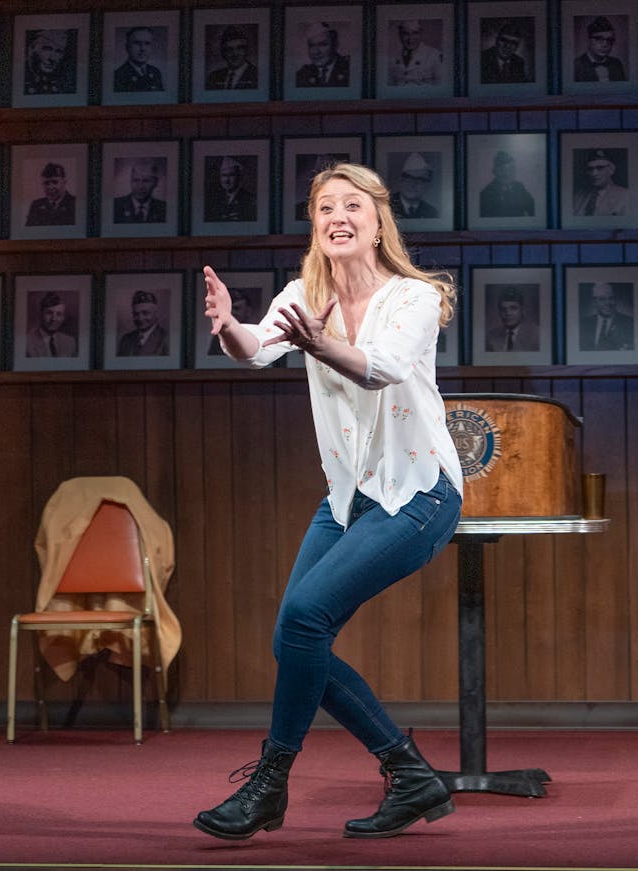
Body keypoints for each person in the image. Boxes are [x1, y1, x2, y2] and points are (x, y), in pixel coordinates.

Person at [193, 161, 462, 842]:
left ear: (377, 222)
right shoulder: (304, 292)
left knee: (307, 618)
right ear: (315, 226)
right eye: (324, 209)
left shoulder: (415, 297)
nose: (338, 217)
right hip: (349, 499)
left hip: (419, 492)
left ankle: (269, 786)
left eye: (352, 206)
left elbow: (382, 370)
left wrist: (323, 342)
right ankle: (409, 773)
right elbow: (253, 349)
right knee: (294, 636)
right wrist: (227, 325)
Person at [572, 149, 630, 217]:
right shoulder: (578, 196)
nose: (594, 173)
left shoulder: (626, 196)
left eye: (600, 168)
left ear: (611, 170)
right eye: (590, 169)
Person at [478, 150, 534, 218]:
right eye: (502, 169)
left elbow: (532, 208)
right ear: (495, 171)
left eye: (511, 169)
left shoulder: (520, 188)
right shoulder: (486, 194)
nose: (507, 173)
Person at [294, 23, 350, 87]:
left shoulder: (349, 68)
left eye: (322, 45)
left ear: (335, 45)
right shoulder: (302, 74)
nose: (316, 52)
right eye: (311, 45)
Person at [388, 19, 442, 86]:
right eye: (406, 34)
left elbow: (440, 86)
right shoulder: (393, 57)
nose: (410, 38)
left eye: (415, 33)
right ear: (400, 35)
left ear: (421, 34)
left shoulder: (435, 55)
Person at [580, 283, 634, 351]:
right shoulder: (583, 324)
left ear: (616, 300)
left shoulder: (630, 323)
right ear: (594, 302)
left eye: (611, 298)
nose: (607, 303)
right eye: (602, 299)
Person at [116, 290, 169, 357]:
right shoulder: (126, 339)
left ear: (156, 314)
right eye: (136, 314)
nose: (140, 318)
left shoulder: (166, 339)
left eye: (145, 313)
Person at [485, 286, 539, 351]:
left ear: (523, 310)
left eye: (513, 308)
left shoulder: (537, 335)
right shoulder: (491, 336)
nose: (508, 313)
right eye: (503, 309)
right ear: (499, 312)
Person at [112, 159, 166, 224]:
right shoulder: (115, 206)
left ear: (155, 183)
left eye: (146, 181)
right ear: (130, 181)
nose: (140, 187)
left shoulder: (164, 208)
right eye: (136, 180)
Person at [207, 285, 256, 355]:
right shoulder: (220, 335)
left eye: (236, 308)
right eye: (230, 309)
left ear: (247, 310)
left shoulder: (254, 333)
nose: (232, 313)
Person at [574, 17, 627, 82]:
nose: (605, 44)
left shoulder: (617, 64)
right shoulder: (576, 66)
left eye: (610, 40)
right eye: (599, 39)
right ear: (588, 40)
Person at [206, 156, 257, 223]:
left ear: (239, 177)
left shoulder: (250, 200)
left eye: (231, 175)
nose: (226, 180)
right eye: (224, 175)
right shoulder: (213, 199)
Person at [25, 291, 77, 357]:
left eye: (59, 314)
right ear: (40, 314)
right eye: (49, 313)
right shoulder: (26, 342)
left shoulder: (70, 342)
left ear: (63, 318)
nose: (54, 319)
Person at [24, 29, 75, 95]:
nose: (52, 58)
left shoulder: (65, 82)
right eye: (47, 49)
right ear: (32, 48)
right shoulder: (21, 77)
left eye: (58, 51)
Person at [112, 26, 163, 92]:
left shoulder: (156, 72)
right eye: (137, 43)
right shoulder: (118, 76)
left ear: (151, 48)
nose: (142, 48)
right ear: (127, 47)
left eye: (147, 43)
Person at [206, 25, 257, 90]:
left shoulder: (256, 75)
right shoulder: (213, 77)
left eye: (239, 48)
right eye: (229, 49)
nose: (235, 54)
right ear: (223, 53)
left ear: (246, 51)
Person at [25, 162, 76, 227]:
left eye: (55, 182)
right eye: (46, 183)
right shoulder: (36, 205)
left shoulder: (75, 204)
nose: (50, 187)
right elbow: (29, 232)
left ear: (64, 182)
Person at [390, 153, 438, 219]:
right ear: (401, 180)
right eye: (409, 179)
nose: (413, 184)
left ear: (427, 186)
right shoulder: (386, 206)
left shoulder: (431, 212)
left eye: (420, 180)